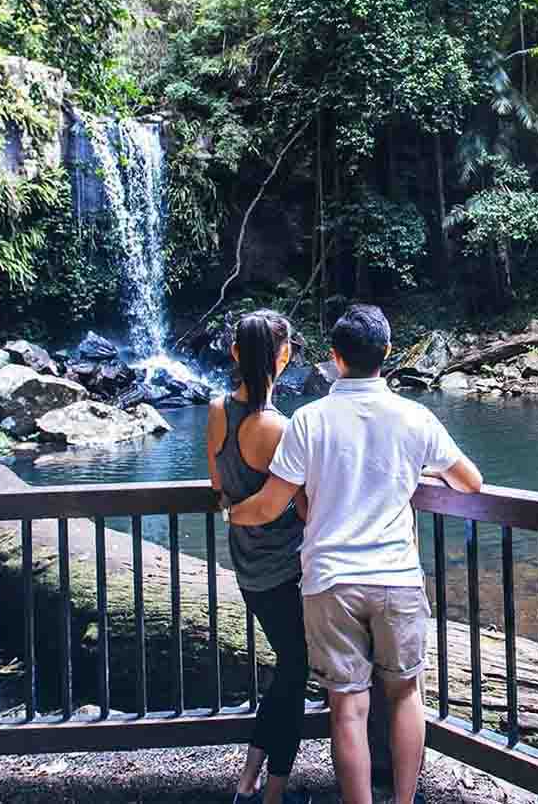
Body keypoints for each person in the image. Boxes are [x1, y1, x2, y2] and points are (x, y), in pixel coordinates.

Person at [227, 304, 483, 804]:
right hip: (396, 576)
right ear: (387, 354)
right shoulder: (414, 416)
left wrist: (231, 513)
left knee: (347, 707)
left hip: (329, 581)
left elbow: (269, 505)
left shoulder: (308, 420)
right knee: (407, 694)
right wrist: (412, 475)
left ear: (334, 358)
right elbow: (470, 483)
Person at [209, 310, 311, 804]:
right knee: (296, 671)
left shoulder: (216, 411)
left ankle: (250, 776)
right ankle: (271, 789)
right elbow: (304, 505)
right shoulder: (278, 427)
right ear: (284, 356)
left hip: (247, 567)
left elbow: (220, 490)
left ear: (234, 354)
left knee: (291, 669)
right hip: (286, 569)